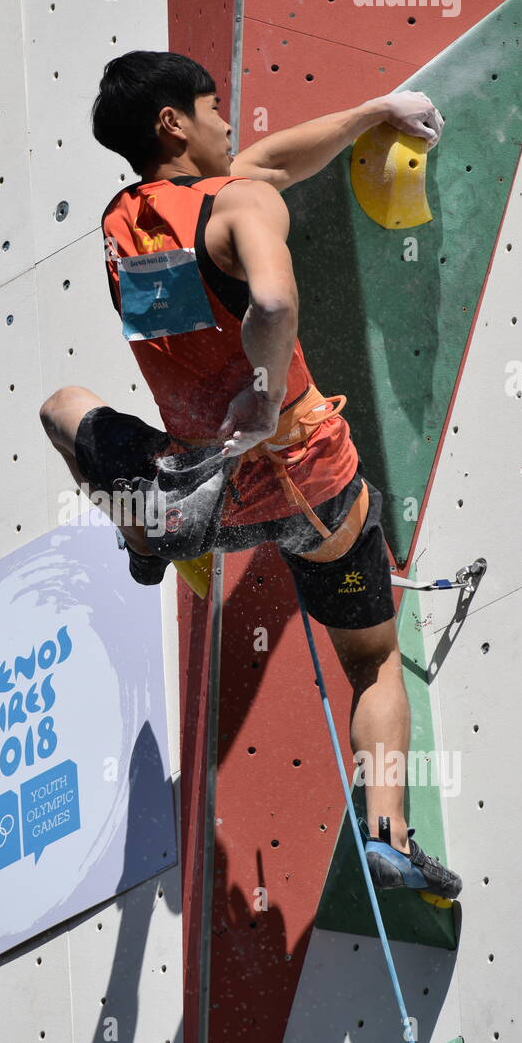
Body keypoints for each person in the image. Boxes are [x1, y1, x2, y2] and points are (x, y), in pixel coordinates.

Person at [39, 51, 460, 899]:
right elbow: (270, 299)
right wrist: (264, 398)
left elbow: (263, 166)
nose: (230, 123)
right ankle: (390, 834)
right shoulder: (241, 205)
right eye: (214, 107)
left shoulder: (124, 225)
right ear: (174, 123)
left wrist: (370, 109)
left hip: (202, 495)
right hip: (311, 482)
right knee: (373, 664)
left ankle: (143, 536)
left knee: (62, 408)